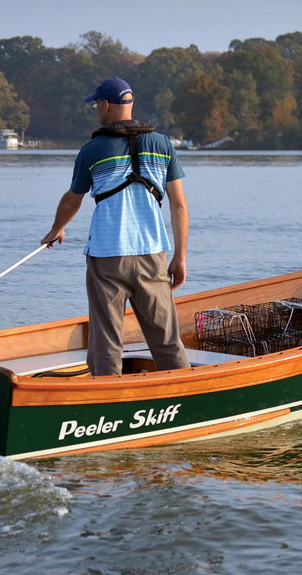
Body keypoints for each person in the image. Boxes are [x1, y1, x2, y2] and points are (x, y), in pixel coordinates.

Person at [41, 77, 190, 376]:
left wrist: (56, 228)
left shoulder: (91, 150)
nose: (97, 110)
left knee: (106, 341)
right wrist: (180, 257)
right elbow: (179, 205)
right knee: (166, 340)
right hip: (152, 255)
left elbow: (73, 199)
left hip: (107, 256)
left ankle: (106, 402)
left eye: (97, 104)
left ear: (107, 105)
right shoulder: (162, 145)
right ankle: (186, 397)